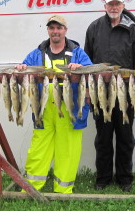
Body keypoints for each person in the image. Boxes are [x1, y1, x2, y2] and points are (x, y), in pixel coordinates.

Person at [15, 14, 92, 193]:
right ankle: (31, 188)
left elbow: (92, 74)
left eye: (59, 28)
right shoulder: (36, 54)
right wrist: (20, 69)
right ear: (48, 30)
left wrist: (81, 69)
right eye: (52, 28)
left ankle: (63, 189)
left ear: (65, 30)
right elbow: (23, 74)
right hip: (43, 110)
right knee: (38, 149)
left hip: (70, 110)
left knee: (68, 151)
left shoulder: (78, 53)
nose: (55, 31)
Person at [84, 0, 135, 192]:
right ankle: (102, 178)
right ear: (105, 6)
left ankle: (125, 179)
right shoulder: (93, 28)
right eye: (110, 4)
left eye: (117, 4)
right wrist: (88, 89)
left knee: (126, 137)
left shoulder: (132, 29)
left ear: (123, 5)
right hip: (100, 91)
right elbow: (87, 62)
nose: (114, 7)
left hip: (126, 92)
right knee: (103, 137)